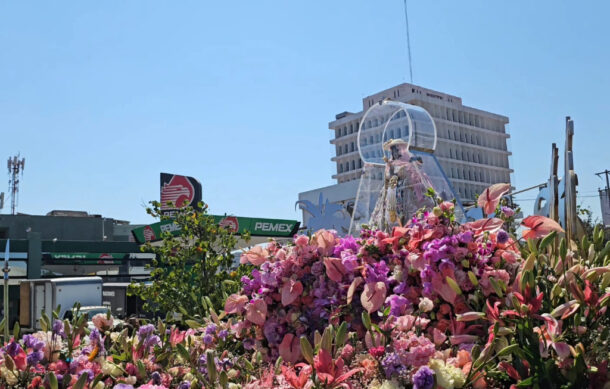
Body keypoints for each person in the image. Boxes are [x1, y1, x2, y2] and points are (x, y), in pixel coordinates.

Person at [369, 139, 435, 231]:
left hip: (406, 191)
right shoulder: (390, 164)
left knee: (410, 214)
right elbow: (387, 178)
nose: (394, 153)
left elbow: (414, 175)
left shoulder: (409, 163)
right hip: (391, 194)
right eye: (392, 150)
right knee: (389, 216)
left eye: (396, 149)